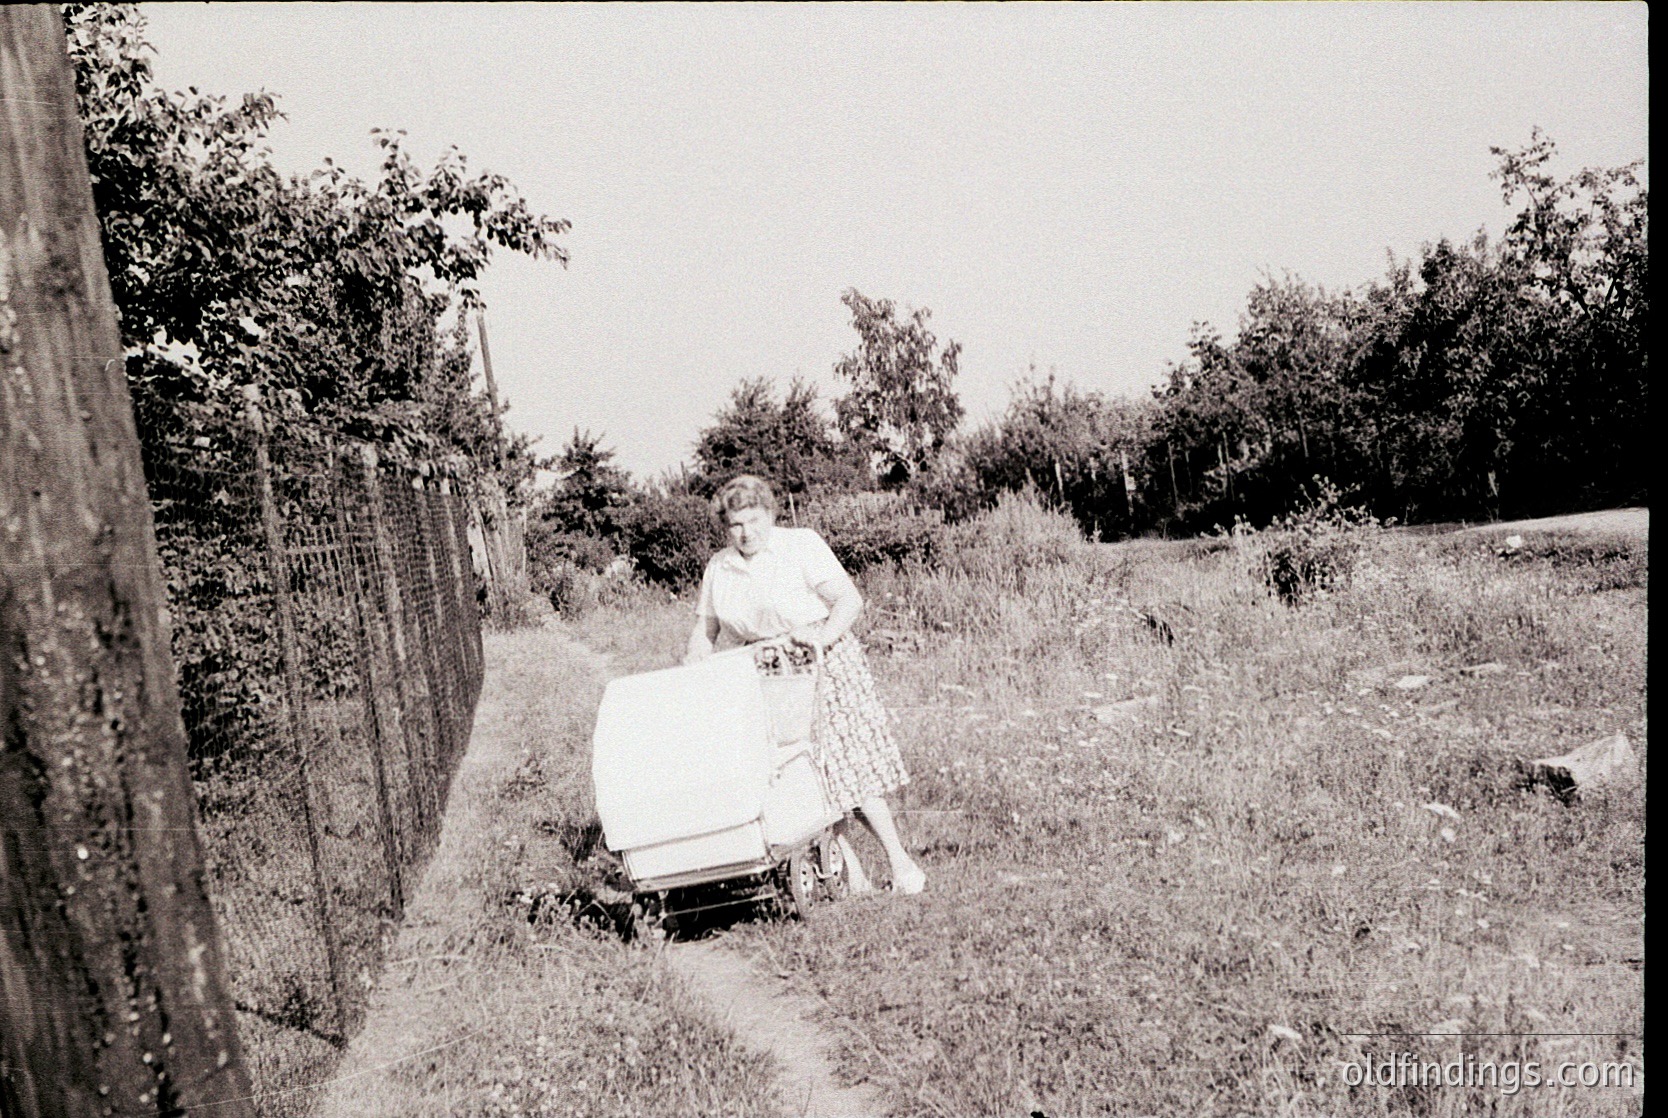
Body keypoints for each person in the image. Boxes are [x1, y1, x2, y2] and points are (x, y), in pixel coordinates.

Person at [684, 475, 926, 896]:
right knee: (798, 778)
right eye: (736, 524)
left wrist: (821, 638)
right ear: (725, 526)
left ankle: (901, 864)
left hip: (822, 664)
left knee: (848, 770)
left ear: (770, 515)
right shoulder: (719, 567)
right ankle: (853, 878)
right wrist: (693, 664)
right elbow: (705, 629)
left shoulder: (800, 544)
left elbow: (849, 601)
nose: (747, 532)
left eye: (754, 520)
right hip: (762, 675)